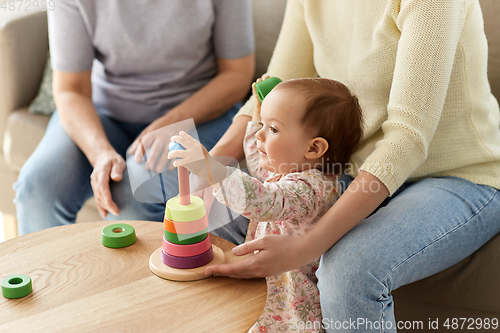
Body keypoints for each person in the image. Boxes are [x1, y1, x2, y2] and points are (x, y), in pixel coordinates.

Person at [204, 0, 500, 332]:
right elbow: (274, 89)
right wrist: (209, 163)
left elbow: (408, 138)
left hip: (459, 175)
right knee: (216, 227)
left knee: (349, 272)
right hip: (353, 170)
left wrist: (304, 247)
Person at [13, 0, 255, 235]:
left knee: (134, 194)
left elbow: (237, 74)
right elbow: (70, 89)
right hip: (104, 114)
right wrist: (100, 153)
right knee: (37, 189)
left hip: (200, 114)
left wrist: (174, 120)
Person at [168, 77, 364, 333]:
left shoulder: (311, 190)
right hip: (271, 287)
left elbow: (262, 199)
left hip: (291, 303)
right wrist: (258, 117)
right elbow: (259, 158)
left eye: (273, 129)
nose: (260, 134)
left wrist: (210, 167)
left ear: (314, 147)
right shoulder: (290, 167)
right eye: (264, 126)